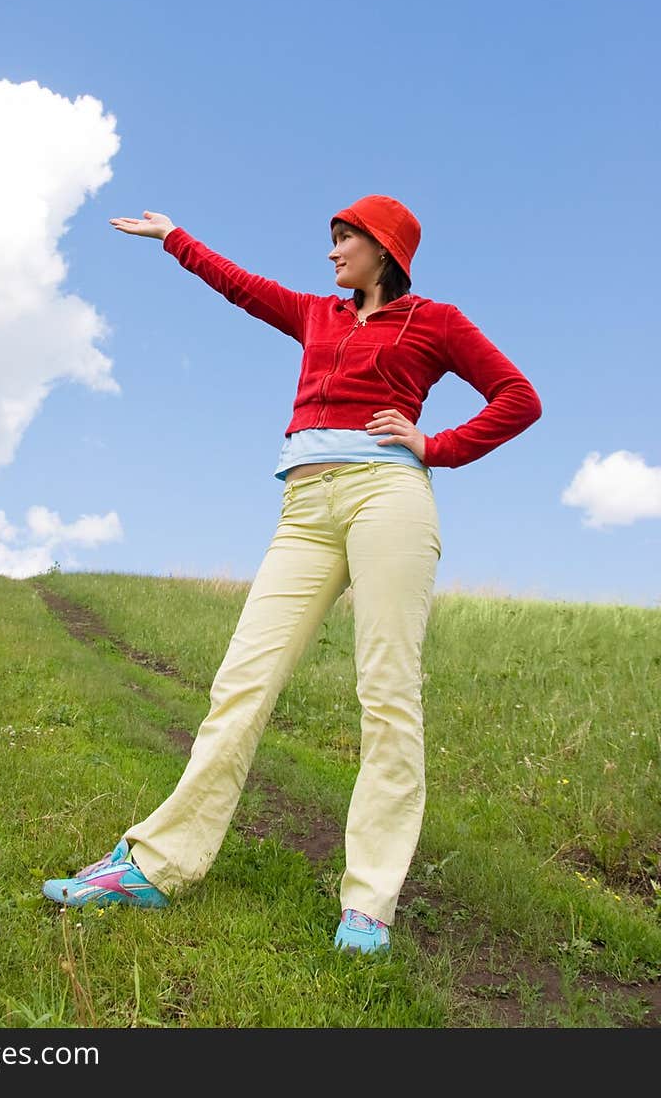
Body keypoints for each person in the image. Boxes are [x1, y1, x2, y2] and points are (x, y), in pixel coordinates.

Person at [43, 195, 542, 955]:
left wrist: (432, 444)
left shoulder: (436, 320)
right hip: (305, 508)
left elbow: (518, 398)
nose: (333, 252)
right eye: (334, 239)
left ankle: (368, 903)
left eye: (346, 239)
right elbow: (241, 285)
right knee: (242, 680)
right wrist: (174, 237)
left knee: (387, 692)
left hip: (389, 499)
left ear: (385, 248)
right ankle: (158, 863)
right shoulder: (317, 314)